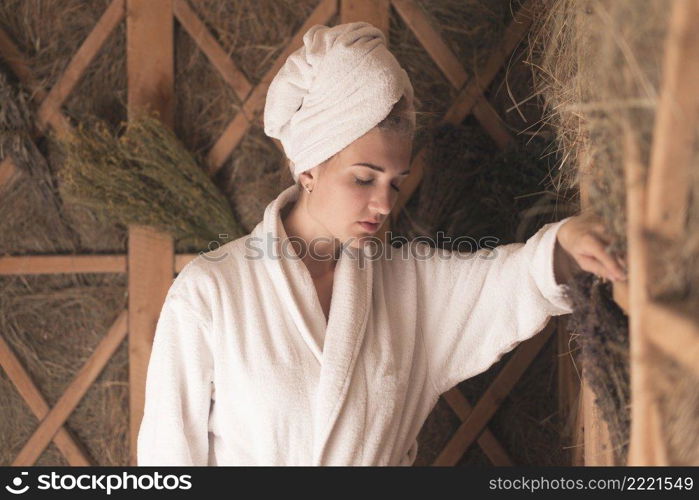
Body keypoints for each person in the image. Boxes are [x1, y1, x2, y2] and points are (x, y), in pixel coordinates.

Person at [136, 22, 626, 466]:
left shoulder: (406, 286)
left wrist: (564, 245)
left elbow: (508, 282)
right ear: (309, 167)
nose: (383, 203)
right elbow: (167, 462)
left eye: (395, 182)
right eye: (364, 178)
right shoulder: (211, 293)